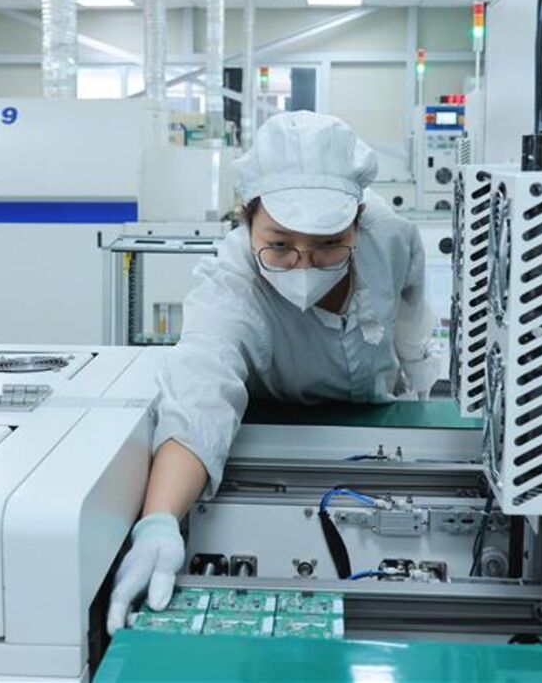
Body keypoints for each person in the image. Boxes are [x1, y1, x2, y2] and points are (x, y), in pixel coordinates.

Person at [106, 111, 443, 634]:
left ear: (358, 219)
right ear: (247, 218)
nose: (304, 266)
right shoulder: (233, 281)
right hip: (273, 426)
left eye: (329, 243)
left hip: (379, 417)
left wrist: (426, 415)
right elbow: (200, 391)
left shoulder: (391, 238)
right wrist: (159, 522)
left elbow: (412, 327)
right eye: (280, 244)